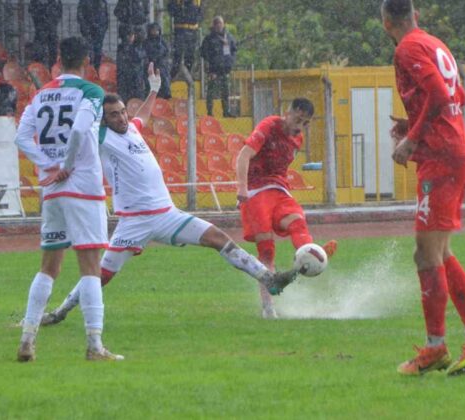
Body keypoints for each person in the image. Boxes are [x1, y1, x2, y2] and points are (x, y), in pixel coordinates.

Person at [40, 65, 298, 326]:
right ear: (104, 120)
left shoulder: (132, 128)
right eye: (113, 116)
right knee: (101, 274)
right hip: (134, 220)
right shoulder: (101, 135)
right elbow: (76, 132)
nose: (121, 118)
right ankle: (60, 312)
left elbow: (143, 116)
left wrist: (153, 90)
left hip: (166, 214)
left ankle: (269, 279)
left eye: (122, 113)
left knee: (218, 238)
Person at [381, 0, 465, 376]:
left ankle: (435, 348)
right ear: (416, 15)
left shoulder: (407, 47)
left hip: (442, 157)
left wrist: (412, 139)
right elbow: (454, 98)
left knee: (426, 256)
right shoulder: (434, 43)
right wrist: (413, 124)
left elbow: (441, 96)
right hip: (455, 149)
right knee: (440, 252)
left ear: (386, 23)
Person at [14, 36, 122, 362]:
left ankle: (27, 339)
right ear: (87, 61)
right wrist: (67, 165)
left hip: (52, 191)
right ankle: (94, 345)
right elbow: (78, 130)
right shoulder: (91, 92)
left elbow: (20, 137)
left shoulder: (42, 93)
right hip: (82, 188)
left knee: (48, 267)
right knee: (90, 267)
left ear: (58, 61)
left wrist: (48, 165)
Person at [235, 98, 337, 318]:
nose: (300, 126)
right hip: (254, 191)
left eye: (305, 123)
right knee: (267, 250)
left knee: (298, 222)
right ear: (287, 112)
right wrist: (241, 189)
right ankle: (268, 306)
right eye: (298, 119)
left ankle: (310, 254)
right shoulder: (269, 125)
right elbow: (244, 155)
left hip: (279, 190)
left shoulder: (297, 139)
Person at [200, 16, 236, 117]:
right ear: (214, 25)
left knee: (226, 92)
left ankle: (226, 111)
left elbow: (234, 50)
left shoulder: (229, 37)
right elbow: (203, 53)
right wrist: (210, 67)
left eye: (220, 23)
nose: (219, 25)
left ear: (223, 24)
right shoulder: (209, 38)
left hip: (225, 69)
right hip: (214, 70)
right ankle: (210, 112)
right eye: (216, 23)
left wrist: (231, 61)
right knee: (211, 92)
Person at [167, 0, 203, 79]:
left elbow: (201, 12)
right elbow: (171, 10)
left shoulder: (198, 1)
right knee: (178, 55)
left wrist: (196, 19)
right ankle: (173, 75)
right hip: (180, 30)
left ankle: (188, 75)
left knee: (190, 56)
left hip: (192, 31)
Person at [117, 25, 148, 101]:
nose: (132, 37)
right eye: (130, 35)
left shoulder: (138, 47)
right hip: (128, 79)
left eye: (132, 35)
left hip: (136, 78)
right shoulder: (125, 48)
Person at [28, 0, 63, 69]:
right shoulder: (51, 5)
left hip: (45, 30)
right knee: (43, 52)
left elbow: (32, 10)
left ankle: (44, 69)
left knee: (48, 52)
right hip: (45, 29)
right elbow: (59, 11)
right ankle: (43, 68)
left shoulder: (39, 5)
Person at [143, 22, 172, 99]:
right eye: (153, 30)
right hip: (150, 67)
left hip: (161, 67)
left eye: (157, 30)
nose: (155, 32)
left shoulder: (162, 42)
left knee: (164, 81)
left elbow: (166, 52)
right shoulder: (146, 43)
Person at [77, 0, 109, 69]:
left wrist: (104, 27)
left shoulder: (102, 1)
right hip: (89, 30)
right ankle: (90, 70)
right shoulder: (84, 2)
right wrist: (85, 28)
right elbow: (80, 16)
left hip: (99, 31)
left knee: (97, 51)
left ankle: (96, 70)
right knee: (89, 52)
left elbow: (106, 15)